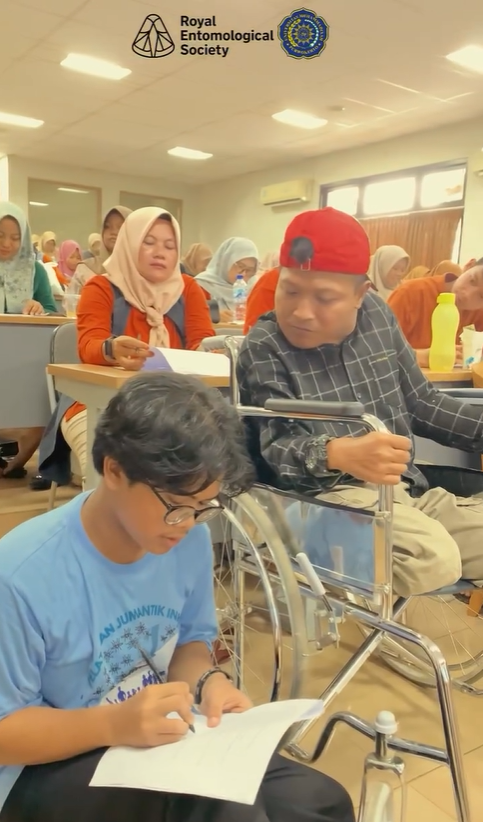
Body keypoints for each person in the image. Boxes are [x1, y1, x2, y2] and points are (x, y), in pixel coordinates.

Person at [0, 372, 354, 822]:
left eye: (205, 506)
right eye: (176, 505)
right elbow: (5, 731)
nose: (187, 523)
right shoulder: (20, 574)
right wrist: (113, 724)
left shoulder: (185, 539)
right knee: (227, 812)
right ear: (113, 469)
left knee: (318, 801)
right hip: (47, 762)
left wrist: (209, 683)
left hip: (153, 736)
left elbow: (189, 644)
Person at [237, 207, 483, 598]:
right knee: (434, 558)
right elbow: (276, 448)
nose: (301, 311)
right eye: (290, 290)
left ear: (360, 294)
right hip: (322, 499)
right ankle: (306, 567)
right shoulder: (266, 345)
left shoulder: (378, 317)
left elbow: (421, 402)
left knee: (439, 550)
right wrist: (337, 453)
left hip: (402, 491)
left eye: (324, 298)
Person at [38, 207, 215, 486]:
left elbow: (202, 344)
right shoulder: (101, 287)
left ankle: (179, 525)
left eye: (170, 246)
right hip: (98, 403)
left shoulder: (189, 290)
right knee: (115, 475)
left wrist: (210, 354)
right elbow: (88, 345)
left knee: (208, 462)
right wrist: (110, 350)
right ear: (129, 243)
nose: (160, 252)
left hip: (172, 403)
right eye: (149, 242)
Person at [0, 202, 57, 480]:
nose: (7, 243)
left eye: (15, 236)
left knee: (38, 404)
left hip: (23, 356)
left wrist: (39, 308)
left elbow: (53, 313)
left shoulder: (37, 271)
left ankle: (18, 461)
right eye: (0, 235)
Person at [387, 257, 483, 368]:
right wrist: (416, 357)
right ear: (469, 265)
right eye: (472, 280)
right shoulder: (410, 294)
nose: (467, 295)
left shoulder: (479, 314)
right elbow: (375, 352)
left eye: (481, 296)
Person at [69, 206, 132, 292]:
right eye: (107, 226)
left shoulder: (141, 273)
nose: (113, 232)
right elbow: (71, 302)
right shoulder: (86, 269)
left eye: (120, 227)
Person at [196, 237, 259, 322]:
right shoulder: (203, 284)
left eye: (249, 270)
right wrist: (212, 316)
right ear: (226, 261)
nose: (244, 274)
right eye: (241, 267)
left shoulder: (255, 287)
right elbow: (192, 317)